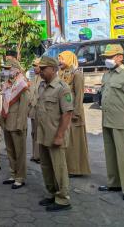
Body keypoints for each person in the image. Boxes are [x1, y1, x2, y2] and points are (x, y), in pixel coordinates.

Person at [98, 44, 124, 201]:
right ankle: (114, 183)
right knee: (110, 154)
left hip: (122, 121)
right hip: (107, 120)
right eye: (106, 57)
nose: (107, 60)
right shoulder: (107, 75)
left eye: (110, 57)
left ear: (120, 57)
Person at [36, 56, 74, 212]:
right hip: (44, 134)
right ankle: (52, 193)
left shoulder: (62, 88)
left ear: (53, 69)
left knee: (59, 168)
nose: (40, 71)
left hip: (55, 135)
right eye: (40, 68)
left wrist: (59, 136)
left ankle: (63, 199)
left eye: (43, 69)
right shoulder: (43, 86)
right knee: (46, 166)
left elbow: (67, 114)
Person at [58, 51, 91, 177]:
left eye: (62, 59)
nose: (59, 62)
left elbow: (79, 96)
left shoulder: (77, 75)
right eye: (59, 59)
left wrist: (76, 113)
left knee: (75, 143)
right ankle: (68, 167)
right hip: (64, 112)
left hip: (74, 114)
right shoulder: (61, 74)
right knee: (67, 142)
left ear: (69, 59)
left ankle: (76, 169)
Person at [0, 61, 29, 189]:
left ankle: (20, 177)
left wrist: (20, 124)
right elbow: (4, 102)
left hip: (17, 122)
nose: (6, 71)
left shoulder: (22, 84)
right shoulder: (8, 83)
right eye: (5, 69)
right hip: (7, 121)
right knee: (10, 150)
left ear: (16, 69)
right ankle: (13, 173)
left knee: (19, 151)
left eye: (8, 69)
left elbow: (24, 106)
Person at [28, 58, 42, 163]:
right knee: (33, 133)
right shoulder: (33, 78)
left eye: (36, 65)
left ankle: (40, 156)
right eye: (34, 65)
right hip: (33, 109)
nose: (34, 67)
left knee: (39, 133)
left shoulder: (44, 78)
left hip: (40, 109)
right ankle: (35, 154)